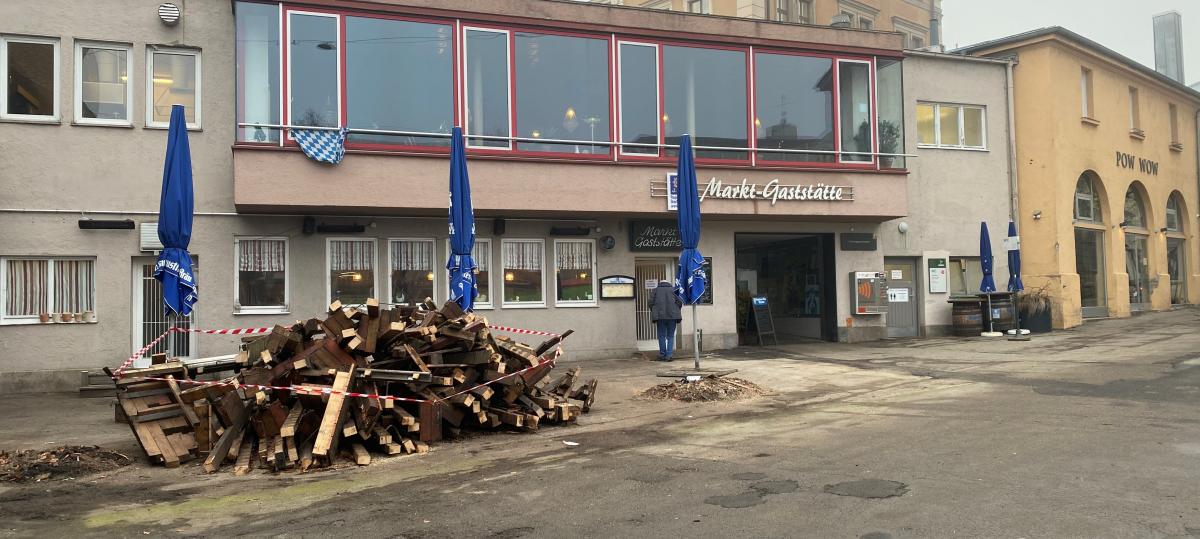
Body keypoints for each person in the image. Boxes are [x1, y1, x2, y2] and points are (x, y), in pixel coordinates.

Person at [649, 279, 683, 362]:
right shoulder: (674, 290)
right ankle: (669, 356)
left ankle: (662, 355)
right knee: (670, 336)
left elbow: (650, 302)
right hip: (672, 317)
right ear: (668, 283)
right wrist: (675, 309)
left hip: (660, 317)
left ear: (660, 283)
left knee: (661, 336)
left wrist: (654, 311)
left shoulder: (655, 290)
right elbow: (680, 301)